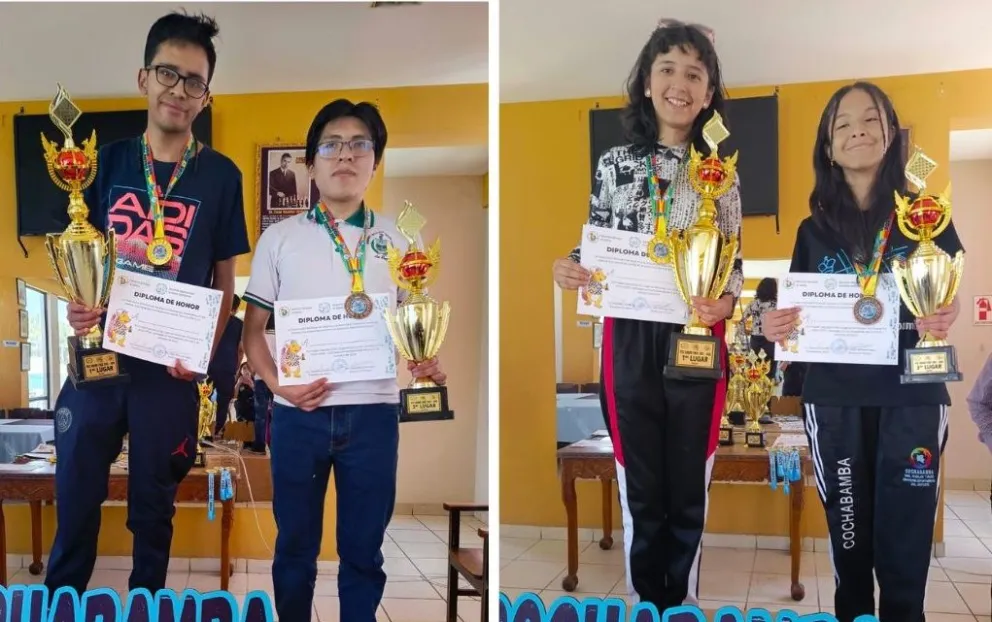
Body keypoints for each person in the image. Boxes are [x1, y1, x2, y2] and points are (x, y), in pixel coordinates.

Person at [47, 11, 250, 596]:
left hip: (169, 370)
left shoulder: (221, 176)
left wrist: (201, 354)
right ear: (143, 78)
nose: (179, 91)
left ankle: (146, 606)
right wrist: (79, 307)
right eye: (168, 73)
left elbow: (224, 282)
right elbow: (79, 256)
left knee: (153, 510)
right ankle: (64, 603)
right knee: (78, 494)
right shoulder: (100, 164)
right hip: (100, 360)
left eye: (194, 81)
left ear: (205, 96)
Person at [552, 20, 743, 611]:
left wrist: (727, 304)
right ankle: (644, 604)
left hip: (695, 334)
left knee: (689, 484)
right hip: (628, 336)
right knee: (642, 483)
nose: (679, 84)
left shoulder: (723, 175)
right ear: (647, 81)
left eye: (694, 74)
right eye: (667, 70)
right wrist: (570, 265)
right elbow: (597, 243)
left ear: (709, 93)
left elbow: (734, 266)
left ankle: (680, 604)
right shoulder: (615, 163)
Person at [761, 82, 961, 622]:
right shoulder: (813, 230)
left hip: (912, 396)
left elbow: (949, 289)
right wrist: (775, 323)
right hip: (836, 400)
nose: (857, 132)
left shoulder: (926, 214)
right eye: (842, 124)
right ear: (828, 146)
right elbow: (796, 310)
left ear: (890, 133)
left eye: (869, 119)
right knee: (850, 541)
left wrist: (947, 312)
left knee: (905, 539)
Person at [242, 99, 447, 622]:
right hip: (298, 416)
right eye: (331, 144)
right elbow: (253, 333)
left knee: (363, 553)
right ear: (310, 162)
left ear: (374, 161)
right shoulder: (279, 239)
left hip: (373, 416)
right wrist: (277, 387)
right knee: (295, 550)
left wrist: (425, 359)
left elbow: (410, 324)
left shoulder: (402, 239)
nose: (345, 155)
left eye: (360, 145)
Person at [208, 294, 244, 436]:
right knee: (223, 402)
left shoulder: (212, 319)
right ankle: (217, 432)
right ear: (235, 309)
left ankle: (201, 430)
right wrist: (236, 367)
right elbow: (241, 349)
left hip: (208, 366)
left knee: (204, 399)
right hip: (228, 367)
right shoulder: (239, 324)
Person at [740, 277, 777, 378]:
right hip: (771, 340)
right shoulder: (777, 304)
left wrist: (745, 331)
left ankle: (755, 390)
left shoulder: (753, 303)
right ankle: (768, 390)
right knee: (769, 368)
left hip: (755, 339)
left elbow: (742, 320)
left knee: (754, 367)